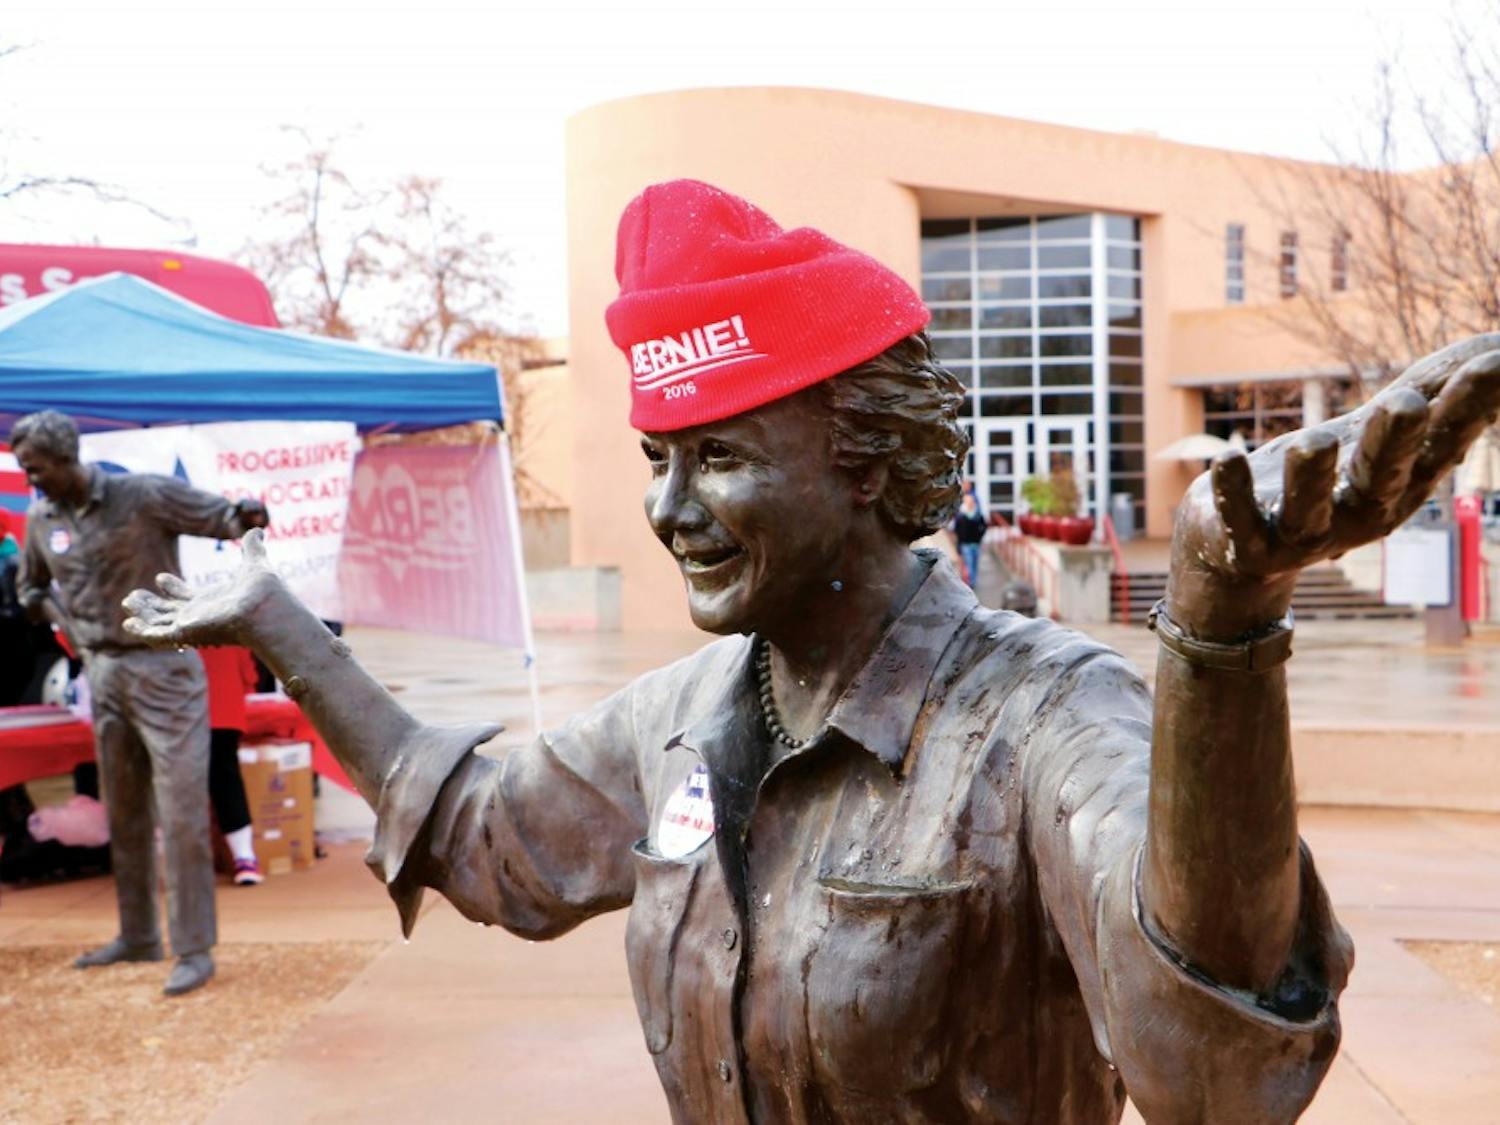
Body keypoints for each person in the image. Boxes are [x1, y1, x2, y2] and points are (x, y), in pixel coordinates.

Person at [123, 180, 1500, 1120]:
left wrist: (1218, 633)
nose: (668, 509)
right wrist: (279, 622)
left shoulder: (1046, 721)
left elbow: (1215, 1063)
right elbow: (488, 834)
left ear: (865, 462)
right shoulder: (683, 717)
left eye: (717, 457)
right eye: (657, 458)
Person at [11, 410, 269, 996]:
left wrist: (248, 515)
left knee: (179, 814)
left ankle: (195, 948)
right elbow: (30, 587)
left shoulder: (142, 494)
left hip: (165, 668)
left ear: (66, 455)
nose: (32, 480)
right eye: (25, 470)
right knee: (123, 810)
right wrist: (56, 618)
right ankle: (138, 935)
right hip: (102, 671)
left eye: (37, 468)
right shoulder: (41, 518)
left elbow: (225, 519)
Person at [200, 645, 264, 885]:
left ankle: (188, 861)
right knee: (227, 779)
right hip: (223, 705)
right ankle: (244, 857)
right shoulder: (224, 620)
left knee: (181, 785)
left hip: (178, 710)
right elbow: (249, 675)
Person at [950, 489, 987, 588]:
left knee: (975, 563)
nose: (969, 503)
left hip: (976, 543)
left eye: (970, 501)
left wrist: (980, 536)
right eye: (967, 501)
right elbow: (956, 530)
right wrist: (959, 542)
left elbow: (984, 526)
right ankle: (971, 583)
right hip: (965, 544)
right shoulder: (961, 516)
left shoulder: (978, 514)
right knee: (969, 563)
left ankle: (973, 581)